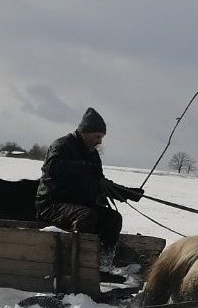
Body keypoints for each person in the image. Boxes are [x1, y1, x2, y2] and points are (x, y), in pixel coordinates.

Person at [35, 107, 144, 270]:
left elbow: (100, 183)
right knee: (87, 216)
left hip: (79, 205)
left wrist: (126, 193)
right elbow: (53, 167)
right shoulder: (62, 145)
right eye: (97, 136)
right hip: (52, 204)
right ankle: (79, 265)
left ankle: (103, 265)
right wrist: (83, 167)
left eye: (101, 137)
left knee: (113, 218)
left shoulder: (93, 154)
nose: (100, 141)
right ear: (85, 132)